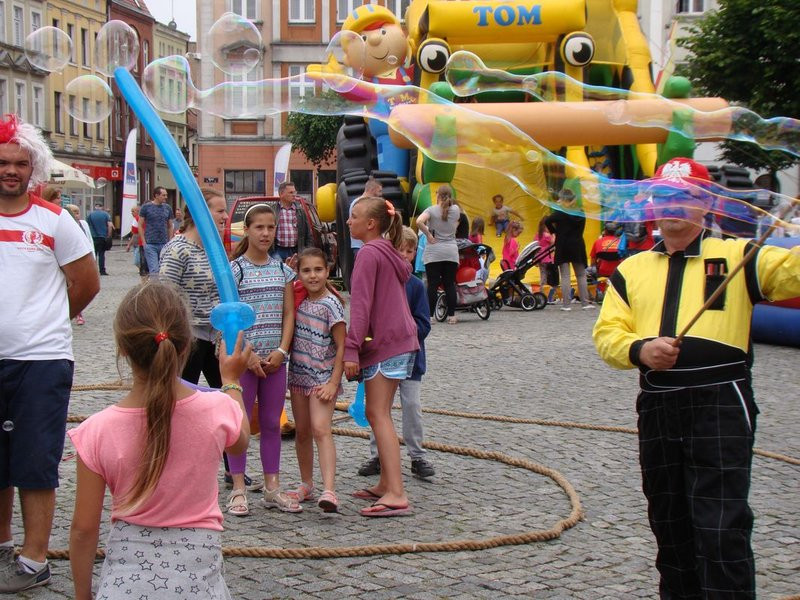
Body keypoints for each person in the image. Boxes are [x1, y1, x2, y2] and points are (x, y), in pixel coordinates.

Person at [592, 157, 800, 599]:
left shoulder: (739, 256)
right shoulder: (631, 270)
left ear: (704, 204)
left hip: (720, 402)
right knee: (669, 524)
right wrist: (640, 350)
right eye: (664, 197)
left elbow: (793, 271)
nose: (672, 207)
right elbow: (608, 335)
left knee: (721, 527)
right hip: (658, 405)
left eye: (684, 197)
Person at [68, 282, 251, 600]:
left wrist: (83, 595)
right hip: (199, 582)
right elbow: (240, 443)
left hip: (125, 585)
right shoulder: (216, 409)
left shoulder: (96, 430)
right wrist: (232, 381)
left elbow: (84, 529)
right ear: (185, 347)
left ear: (122, 349)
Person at [0, 114, 99, 593]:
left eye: (20, 163)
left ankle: (34, 558)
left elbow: (87, 282)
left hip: (41, 360)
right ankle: (2, 543)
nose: (11, 170)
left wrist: (46, 322)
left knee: (35, 461)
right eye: (3, 162)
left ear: (33, 167)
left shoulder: (55, 220)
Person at [345, 196, 419, 517]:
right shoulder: (388, 250)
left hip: (387, 343)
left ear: (371, 223)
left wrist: (350, 349)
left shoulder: (367, 255)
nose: (349, 222)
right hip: (401, 341)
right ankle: (387, 481)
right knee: (382, 412)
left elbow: (360, 309)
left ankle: (396, 493)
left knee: (378, 414)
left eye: (354, 216)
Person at [227, 203, 300, 515]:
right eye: (260, 227)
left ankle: (272, 487)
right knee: (239, 426)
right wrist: (249, 355)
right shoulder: (236, 270)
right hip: (244, 360)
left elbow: (288, 313)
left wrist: (282, 350)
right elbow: (230, 318)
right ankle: (239, 489)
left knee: (271, 422)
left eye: (271, 227)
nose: (266, 233)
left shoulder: (283, 270)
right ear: (248, 230)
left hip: (275, 362)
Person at [358, 227, 435, 479]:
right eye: (399, 249)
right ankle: (377, 454)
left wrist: (401, 333)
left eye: (409, 250)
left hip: (411, 360)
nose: (404, 254)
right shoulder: (380, 280)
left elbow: (424, 323)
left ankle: (417, 456)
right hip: (381, 358)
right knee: (379, 408)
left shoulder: (415, 286)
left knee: (412, 406)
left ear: (415, 253)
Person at [287, 248, 347, 513]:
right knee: (302, 432)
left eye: (318, 270)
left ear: (328, 271)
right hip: (299, 374)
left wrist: (334, 382)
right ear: (299, 273)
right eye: (307, 270)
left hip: (323, 378)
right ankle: (307, 483)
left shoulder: (331, 304)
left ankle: (330, 489)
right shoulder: (297, 299)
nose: (313, 276)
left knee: (321, 429)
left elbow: (343, 346)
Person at [416, 184, 461, 324]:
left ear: (438, 195)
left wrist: (428, 234)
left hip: (434, 252)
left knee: (433, 284)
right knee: (449, 284)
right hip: (451, 251)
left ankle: (430, 316)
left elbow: (419, 221)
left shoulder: (431, 210)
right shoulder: (456, 210)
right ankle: (452, 315)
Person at [544, 188, 594, 311]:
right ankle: (585, 303)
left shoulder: (560, 213)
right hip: (577, 244)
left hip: (563, 244)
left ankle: (566, 305)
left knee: (565, 276)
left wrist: (555, 231)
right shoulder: (580, 212)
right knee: (581, 275)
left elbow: (548, 220)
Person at [274, 181, 313, 263]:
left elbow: (308, 233)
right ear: (281, 194)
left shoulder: (300, 211)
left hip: (296, 250)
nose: (294, 195)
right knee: (279, 272)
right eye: (291, 192)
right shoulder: (273, 211)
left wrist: (307, 250)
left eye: (295, 192)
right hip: (278, 250)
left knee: (295, 273)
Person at [66, 204, 92, 325]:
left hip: (80, 260)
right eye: (74, 212)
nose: (76, 215)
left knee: (77, 286)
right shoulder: (64, 225)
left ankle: (78, 313)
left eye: (77, 212)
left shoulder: (83, 224)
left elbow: (89, 239)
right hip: (67, 262)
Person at [138, 186, 174, 275]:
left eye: (166, 195)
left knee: (165, 270)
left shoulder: (167, 208)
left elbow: (170, 225)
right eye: (163, 195)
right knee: (154, 270)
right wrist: (144, 242)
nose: (166, 197)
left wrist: (170, 240)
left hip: (164, 244)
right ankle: (155, 288)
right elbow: (140, 224)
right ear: (156, 195)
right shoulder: (146, 207)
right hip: (150, 243)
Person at [350, 176, 382, 263]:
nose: (381, 194)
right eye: (379, 191)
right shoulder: (361, 204)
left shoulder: (357, 203)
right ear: (372, 189)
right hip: (360, 245)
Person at [86, 200, 113, 276]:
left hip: (93, 237)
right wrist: (109, 235)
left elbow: (87, 226)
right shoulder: (106, 215)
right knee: (101, 254)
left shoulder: (90, 215)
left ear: (95, 206)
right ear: (102, 207)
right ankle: (102, 271)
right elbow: (110, 226)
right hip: (102, 237)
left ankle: (93, 270)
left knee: (94, 255)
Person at [535, 217, 558, 302]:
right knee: (552, 279)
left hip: (540, 259)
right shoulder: (548, 235)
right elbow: (553, 242)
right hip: (548, 259)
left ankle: (542, 295)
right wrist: (554, 235)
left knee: (543, 278)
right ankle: (550, 296)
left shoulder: (538, 234)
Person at [125, 205, 149, 279]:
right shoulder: (138, 219)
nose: (132, 213)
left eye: (133, 211)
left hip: (141, 243)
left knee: (137, 260)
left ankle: (144, 271)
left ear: (138, 211)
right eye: (131, 211)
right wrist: (129, 244)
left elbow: (135, 232)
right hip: (137, 243)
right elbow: (134, 235)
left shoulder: (138, 219)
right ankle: (143, 270)